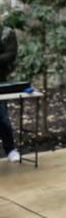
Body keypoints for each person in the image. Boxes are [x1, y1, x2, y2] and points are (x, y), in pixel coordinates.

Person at [0, 25, 20, 163]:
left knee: (2, 117)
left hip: (0, 79)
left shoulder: (6, 33)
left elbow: (10, 55)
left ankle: (10, 149)